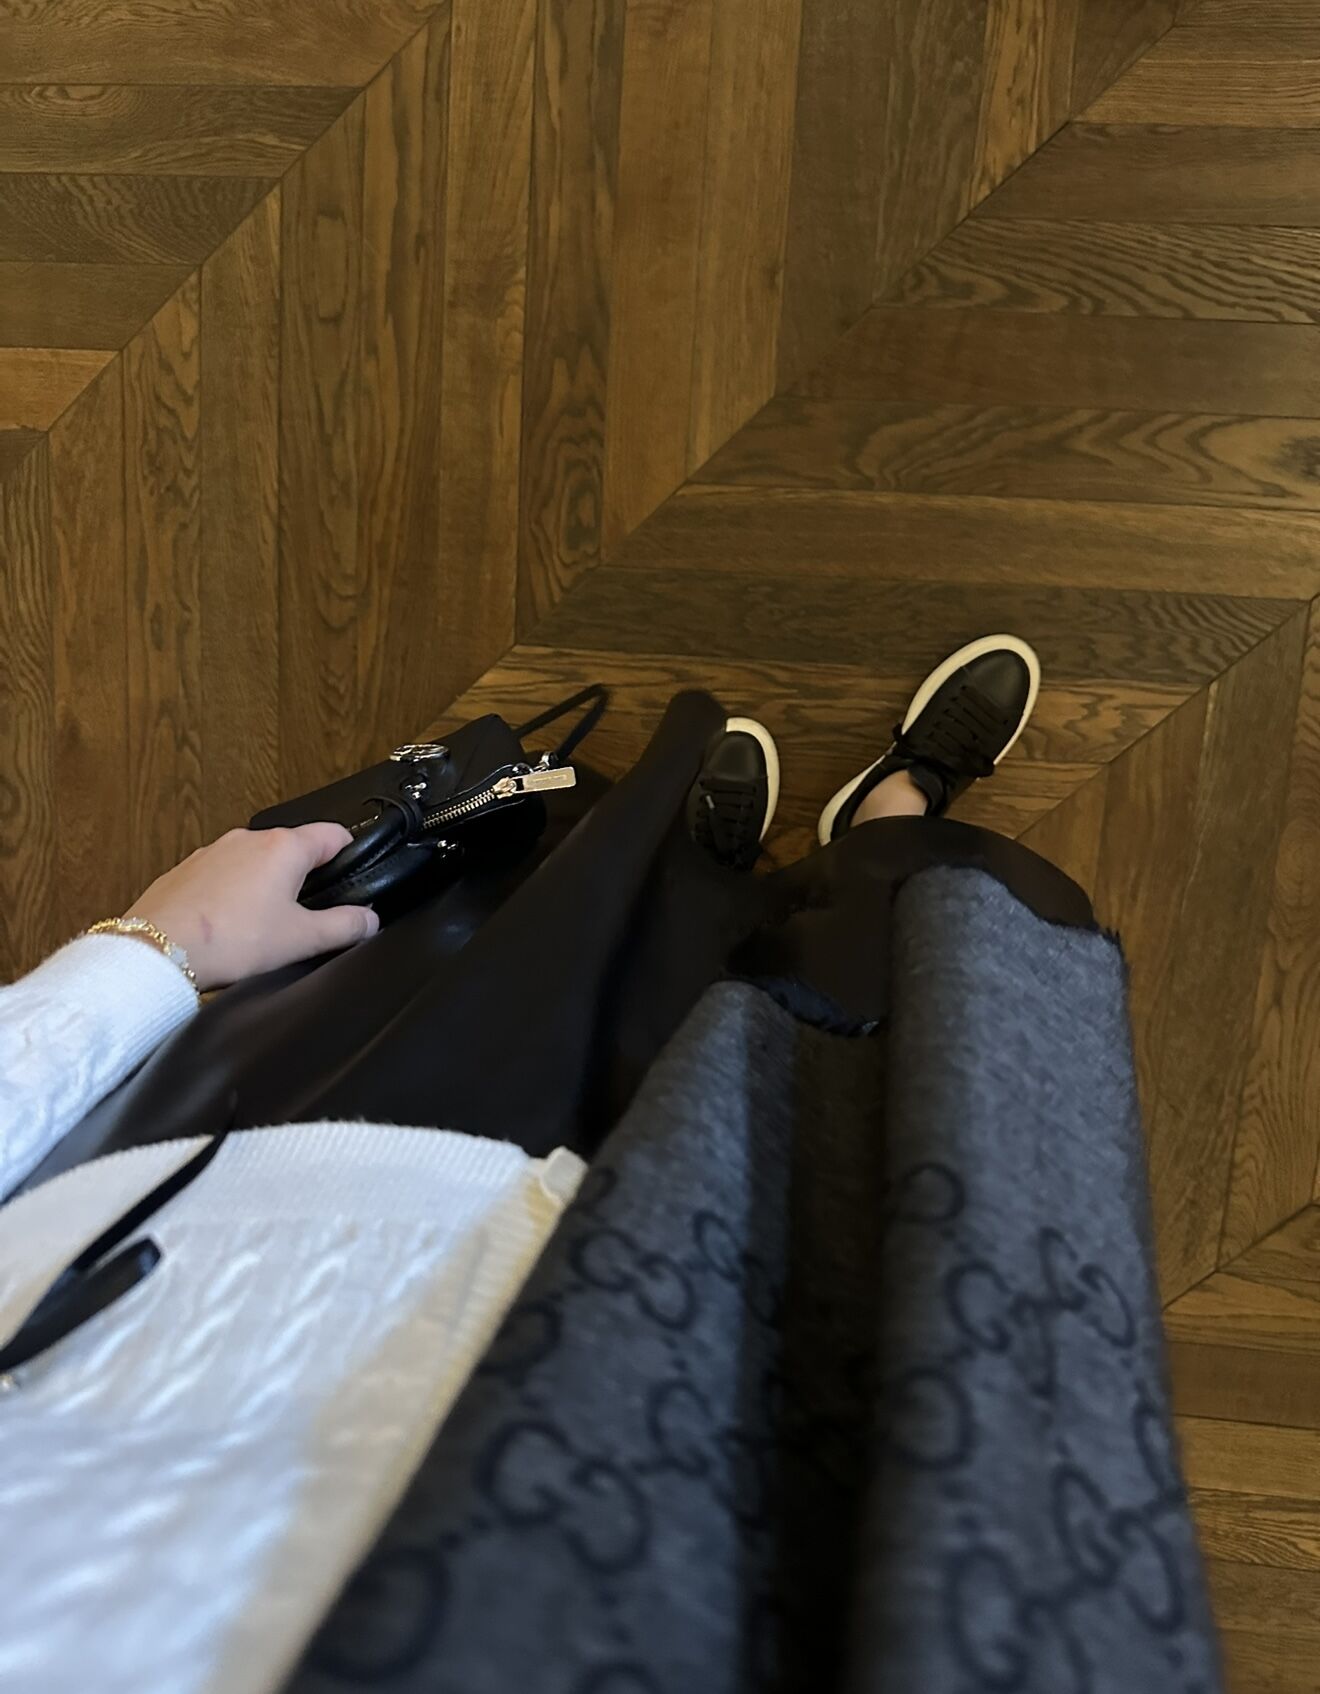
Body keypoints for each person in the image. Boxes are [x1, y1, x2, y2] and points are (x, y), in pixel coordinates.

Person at [0, 636, 1222, 1694]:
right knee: (880, 1064)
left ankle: (709, 876)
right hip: (704, 1402)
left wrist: (151, 952)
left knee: (591, 931)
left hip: (246, 1194)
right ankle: (892, 826)